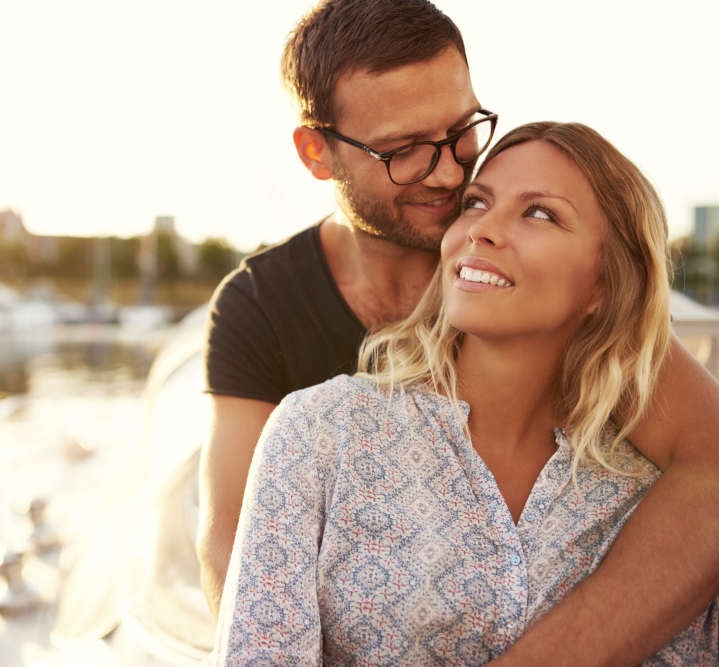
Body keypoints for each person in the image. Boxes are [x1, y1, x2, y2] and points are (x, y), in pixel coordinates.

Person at [198, 0, 719, 663]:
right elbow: (232, 536)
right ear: (316, 152)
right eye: (404, 149)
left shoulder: (537, 267)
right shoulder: (266, 316)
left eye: (460, 129)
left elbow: (710, 460)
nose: (450, 173)